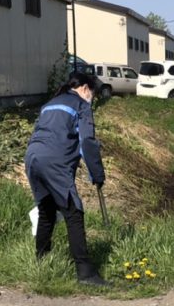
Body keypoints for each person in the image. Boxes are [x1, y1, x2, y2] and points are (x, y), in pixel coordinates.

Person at [25, 71, 112, 287]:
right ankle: (85, 273)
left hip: (32, 157)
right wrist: (97, 175)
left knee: (47, 210)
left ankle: (42, 262)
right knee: (74, 211)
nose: (92, 97)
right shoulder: (81, 106)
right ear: (84, 88)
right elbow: (87, 142)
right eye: (92, 92)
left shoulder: (50, 103)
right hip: (54, 160)